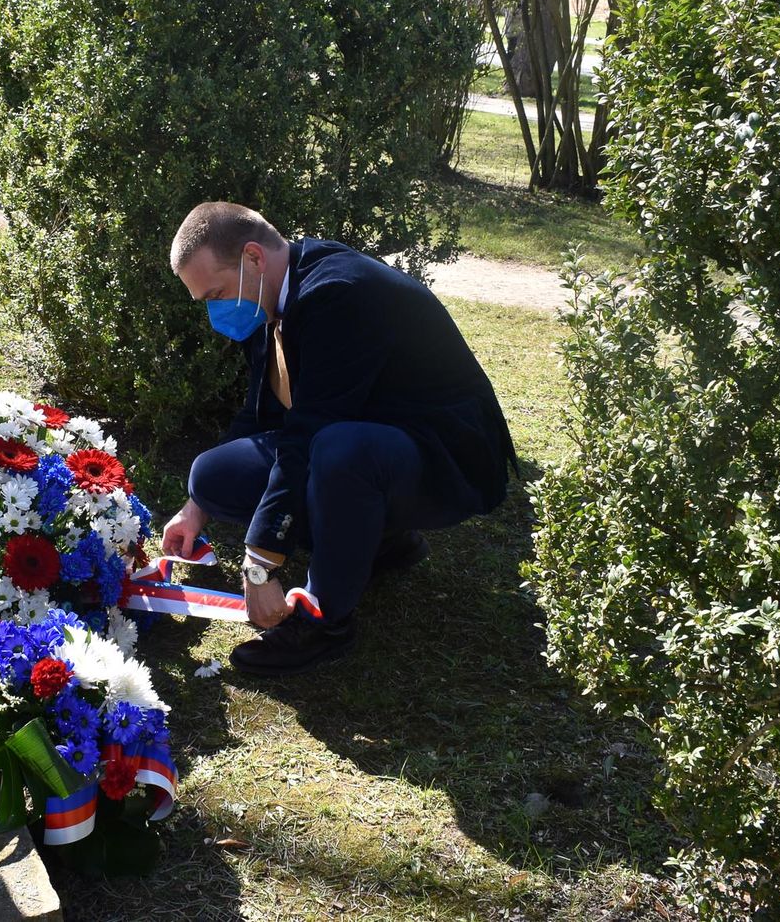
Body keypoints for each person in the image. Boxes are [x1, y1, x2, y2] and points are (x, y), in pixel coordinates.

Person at [160, 202, 518, 677]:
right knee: (213, 474)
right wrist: (195, 506)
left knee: (338, 450)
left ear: (252, 257)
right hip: (374, 441)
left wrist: (259, 563)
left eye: (216, 293)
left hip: (448, 459)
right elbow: (260, 414)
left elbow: (310, 431)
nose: (215, 310)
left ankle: (325, 620)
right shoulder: (271, 296)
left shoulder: (338, 294)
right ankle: (383, 543)